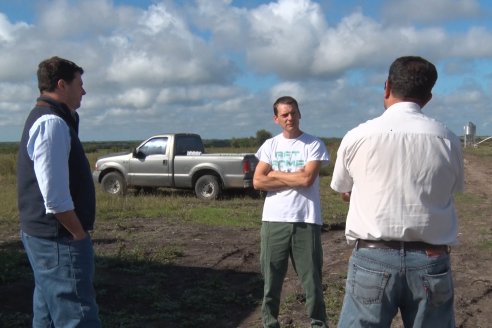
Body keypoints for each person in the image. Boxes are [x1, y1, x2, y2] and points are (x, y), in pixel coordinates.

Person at [330, 56, 464, 327]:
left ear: (387, 86)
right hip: (431, 259)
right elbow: (450, 189)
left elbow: (344, 190)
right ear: (428, 96)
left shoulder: (357, 136)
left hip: (372, 256)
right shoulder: (448, 139)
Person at [17, 56, 101, 327]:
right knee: (76, 316)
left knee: (48, 314)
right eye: (80, 84)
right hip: (59, 240)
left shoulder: (52, 119)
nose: (84, 91)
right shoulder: (51, 124)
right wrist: (77, 233)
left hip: (47, 238)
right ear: (62, 85)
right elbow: (54, 196)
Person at [253, 96, 330, 328]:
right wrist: (289, 177)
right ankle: (269, 323)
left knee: (312, 281)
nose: (290, 118)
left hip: (305, 220)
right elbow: (257, 181)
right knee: (271, 279)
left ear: (300, 114)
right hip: (274, 221)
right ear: (276, 119)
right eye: (284, 115)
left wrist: (275, 174)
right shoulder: (270, 145)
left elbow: (307, 179)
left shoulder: (314, 144)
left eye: (293, 113)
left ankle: (318, 324)